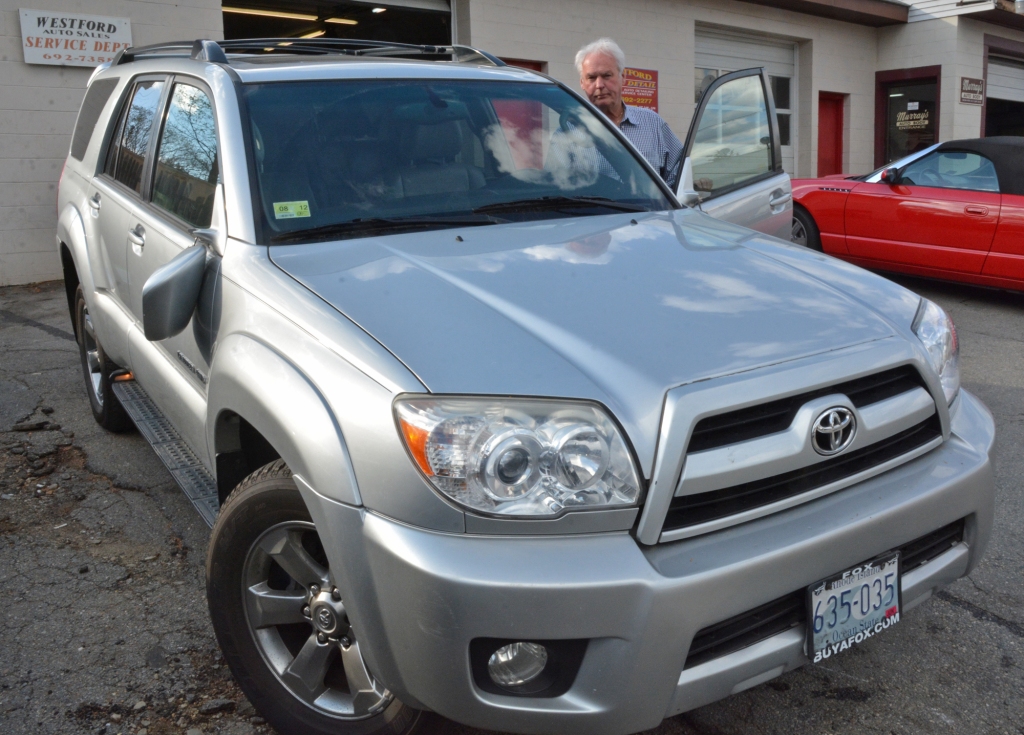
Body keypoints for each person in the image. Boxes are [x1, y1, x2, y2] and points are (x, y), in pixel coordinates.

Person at [575, 38, 683, 189]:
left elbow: (680, 175)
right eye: (591, 78)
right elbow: (556, 188)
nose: (599, 85)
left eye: (607, 76)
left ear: (622, 78)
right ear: (582, 83)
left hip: (651, 212)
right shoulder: (569, 132)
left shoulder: (652, 123)